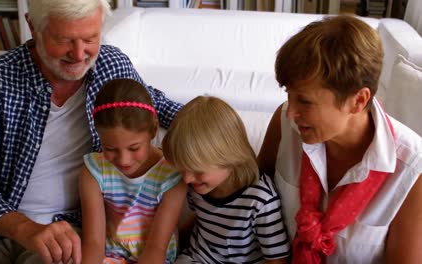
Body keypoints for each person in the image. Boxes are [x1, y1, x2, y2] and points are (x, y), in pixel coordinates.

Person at [0, 0, 182, 263]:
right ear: (33, 26)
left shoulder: (113, 66)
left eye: (90, 38)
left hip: (67, 231)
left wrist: (227, 140)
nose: (78, 53)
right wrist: (22, 227)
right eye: (63, 39)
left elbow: (161, 108)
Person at [257, 15, 422, 263]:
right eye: (288, 95)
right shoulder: (285, 125)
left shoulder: (411, 171)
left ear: (358, 101)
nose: (291, 111)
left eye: (305, 101)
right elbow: (247, 193)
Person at [162, 96, 290, 264]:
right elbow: (200, 220)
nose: (186, 179)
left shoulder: (261, 199)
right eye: (182, 169)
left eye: (197, 170)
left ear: (230, 157)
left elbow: (277, 259)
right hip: (197, 258)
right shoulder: (198, 187)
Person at [80, 78, 186, 264]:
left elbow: (156, 248)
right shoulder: (94, 171)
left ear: (154, 130)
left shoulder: (171, 175)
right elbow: (93, 243)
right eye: (110, 149)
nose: (123, 160)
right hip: (109, 257)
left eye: (134, 148)